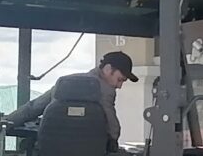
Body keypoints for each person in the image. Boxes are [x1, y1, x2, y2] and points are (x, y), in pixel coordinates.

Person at [7, 50, 137, 150]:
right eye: (120, 80)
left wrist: (5, 123)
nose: (119, 86)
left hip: (51, 151)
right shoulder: (105, 91)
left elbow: (34, 107)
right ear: (108, 69)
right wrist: (113, 143)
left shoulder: (65, 82)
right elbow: (113, 128)